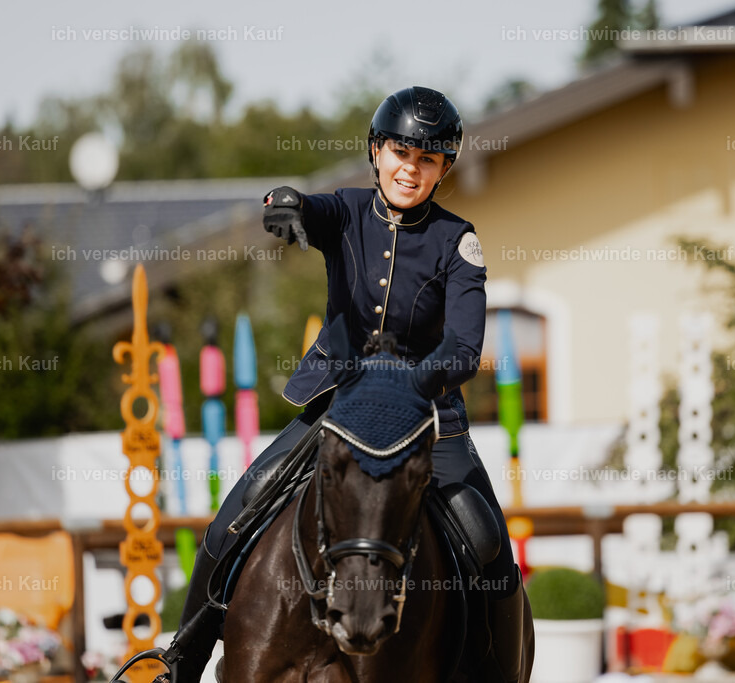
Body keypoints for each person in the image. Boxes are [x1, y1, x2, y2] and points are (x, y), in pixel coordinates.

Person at [161, 86, 526, 682]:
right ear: (377, 152)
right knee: (237, 511)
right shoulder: (350, 211)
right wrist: (284, 201)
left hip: (430, 416)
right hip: (340, 406)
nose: (411, 168)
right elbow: (307, 207)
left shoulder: (458, 242)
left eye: (427, 159)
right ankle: (182, 658)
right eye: (401, 153)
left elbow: (463, 350)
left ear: (443, 169)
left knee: (489, 541)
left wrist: (411, 385)